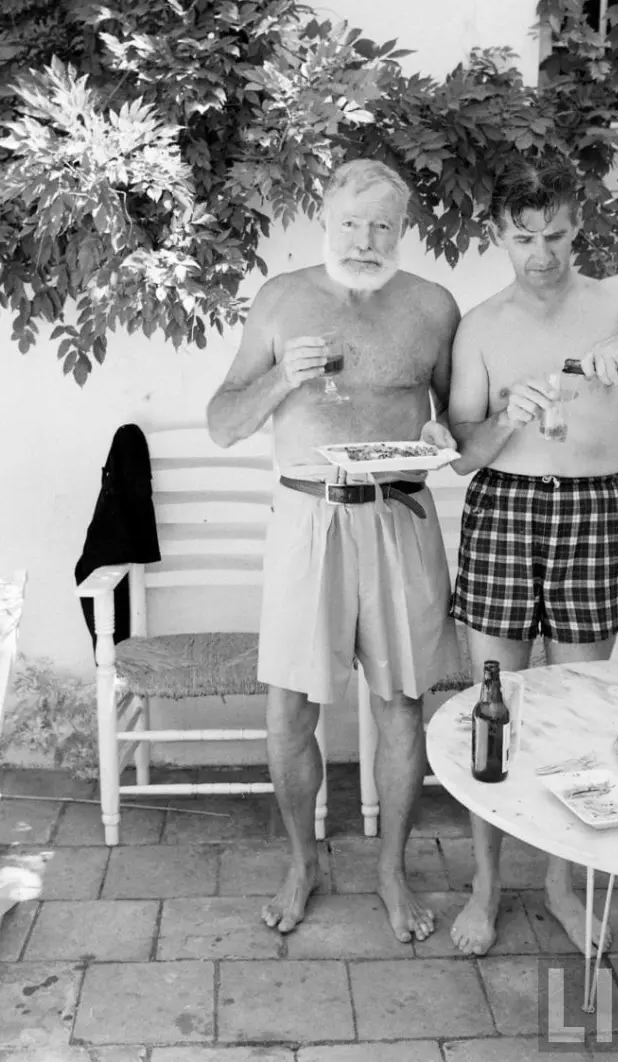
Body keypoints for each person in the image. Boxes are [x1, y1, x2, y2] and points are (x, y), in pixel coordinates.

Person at [445, 151, 618, 957]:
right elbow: (465, 454)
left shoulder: (614, 297)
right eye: (525, 238)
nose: (542, 255)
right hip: (502, 509)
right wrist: (508, 413)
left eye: (558, 236)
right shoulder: (482, 326)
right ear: (500, 232)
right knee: (490, 709)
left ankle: (563, 883)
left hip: (593, 511)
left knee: (584, 704)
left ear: (580, 227)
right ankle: (484, 886)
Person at [206, 158, 462, 942]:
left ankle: (390, 869)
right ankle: (304, 860)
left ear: (404, 228)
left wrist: (445, 436)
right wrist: (283, 377)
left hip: (399, 516)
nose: (367, 238)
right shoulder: (282, 300)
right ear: (323, 215)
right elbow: (223, 421)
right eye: (353, 221)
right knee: (289, 711)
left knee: (402, 707)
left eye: (384, 223)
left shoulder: (432, 306)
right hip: (307, 518)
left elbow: (461, 419)